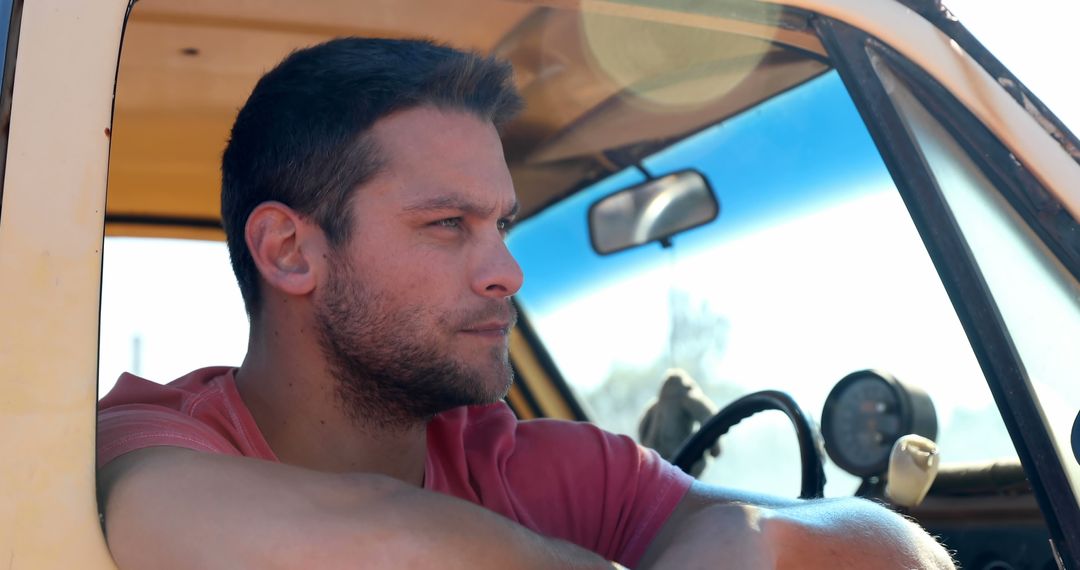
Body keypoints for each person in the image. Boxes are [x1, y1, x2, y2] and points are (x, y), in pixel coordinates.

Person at [96, 37, 955, 569]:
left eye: (501, 223)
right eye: (447, 225)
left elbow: (893, 549)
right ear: (290, 251)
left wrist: (739, 540)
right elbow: (372, 542)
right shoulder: (142, 440)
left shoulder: (527, 464)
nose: (505, 269)